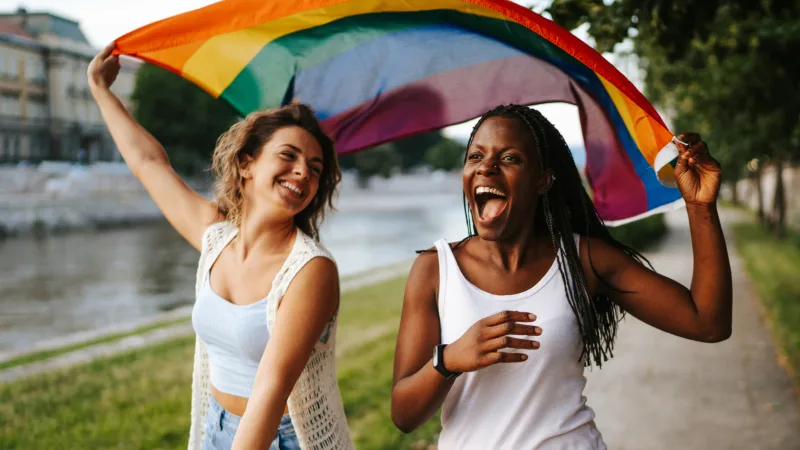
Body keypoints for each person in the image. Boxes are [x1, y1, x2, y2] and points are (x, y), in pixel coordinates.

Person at [391, 104, 731, 449]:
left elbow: (708, 323)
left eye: (509, 158)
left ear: (543, 180)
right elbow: (404, 415)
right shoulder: (435, 269)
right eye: (475, 156)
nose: (486, 168)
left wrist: (700, 207)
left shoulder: (584, 259)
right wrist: (448, 359)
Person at [88, 43, 354, 450]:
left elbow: (270, 389)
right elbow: (150, 164)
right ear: (247, 163)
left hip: (281, 439)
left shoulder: (311, 270)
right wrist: (101, 91)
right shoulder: (215, 236)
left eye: (315, 169)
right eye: (289, 155)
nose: (303, 171)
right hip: (216, 423)